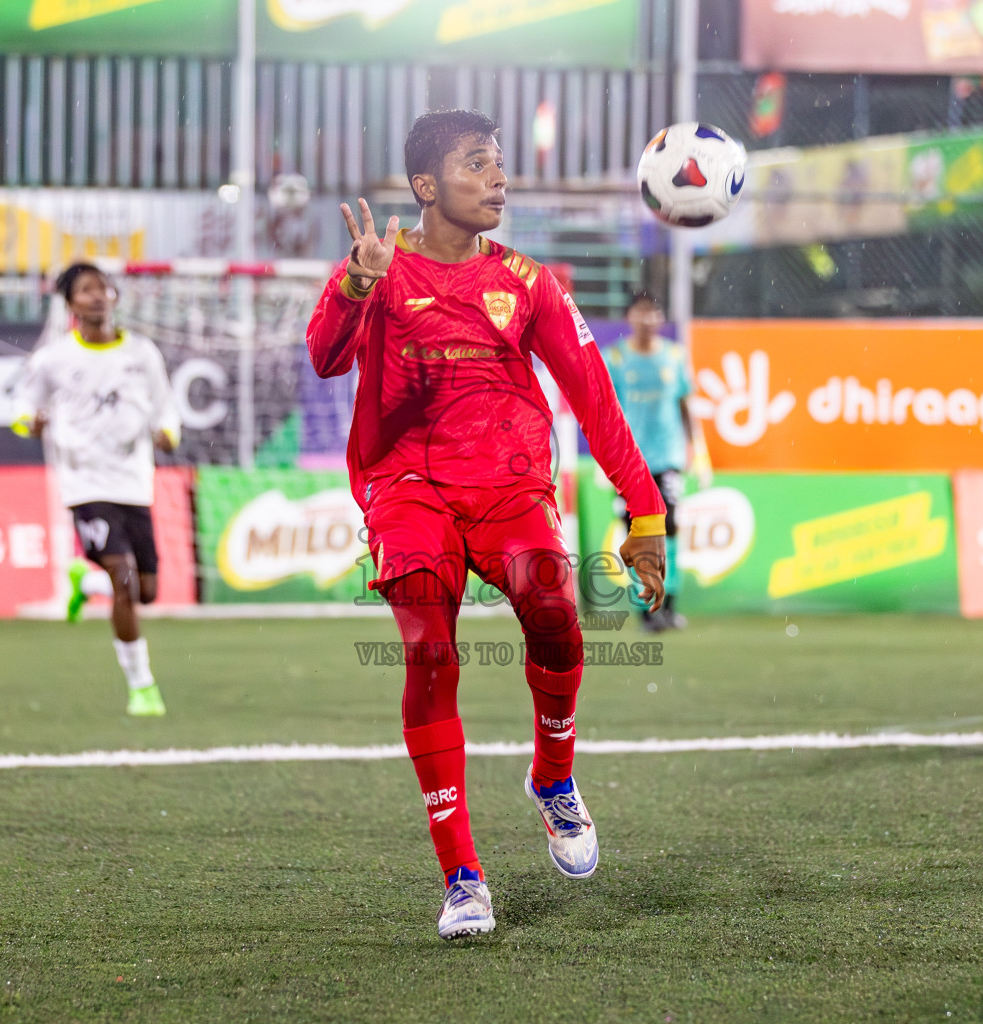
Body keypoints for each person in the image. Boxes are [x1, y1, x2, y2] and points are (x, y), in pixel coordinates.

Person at [306, 109, 668, 941]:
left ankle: (553, 779)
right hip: (407, 489)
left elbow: (594, 399)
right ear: (426, 186)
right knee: (429, 650)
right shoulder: (380, 271)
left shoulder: (532, 283)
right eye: (478, 165)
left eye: (499, 164)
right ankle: (464, 877)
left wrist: (643, 510)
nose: (499, 178)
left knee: (556, 614)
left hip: (508, 486)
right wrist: (359, 282)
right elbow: (325, 356)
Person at [13, 262, 180, 717]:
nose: (98, 296)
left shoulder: (142, 354)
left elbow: (166, 407)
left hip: (134, 483)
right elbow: (21, 406)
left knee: (146, 592)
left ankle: (84, 581)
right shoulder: (54, 359)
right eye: (86, 290)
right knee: (125, 581)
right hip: (84, 483)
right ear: (70, 304)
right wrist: (31, 422)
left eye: (104, 288)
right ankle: (142, 686)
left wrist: (169, 433)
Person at [603, 291, 697, 632]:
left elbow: (686, 407)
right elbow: (603, 413)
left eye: (654, 312)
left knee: (670, 528)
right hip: (629, 462)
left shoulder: (674, 356)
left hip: (668, 459)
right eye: (641, 312)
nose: (648, 319)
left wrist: (695, 450)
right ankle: (645, 610)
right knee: (635, 532)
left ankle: (669, 605)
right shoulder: (613, 358)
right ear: (629, 317)